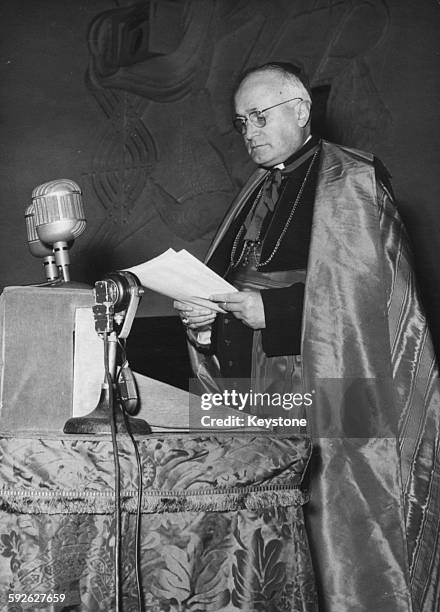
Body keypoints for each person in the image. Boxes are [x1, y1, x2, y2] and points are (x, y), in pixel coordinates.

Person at [173, 62, 440, 612]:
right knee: (259, 520)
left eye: (260, 116)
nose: (249, 131)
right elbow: (231, 286)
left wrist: (268, 308)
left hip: (330, 383)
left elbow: (368, 298)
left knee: (333, 522)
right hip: (260, 387)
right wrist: (204, 324)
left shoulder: (352, 178)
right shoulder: (256, 188)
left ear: (300, 110)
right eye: (241, 121)